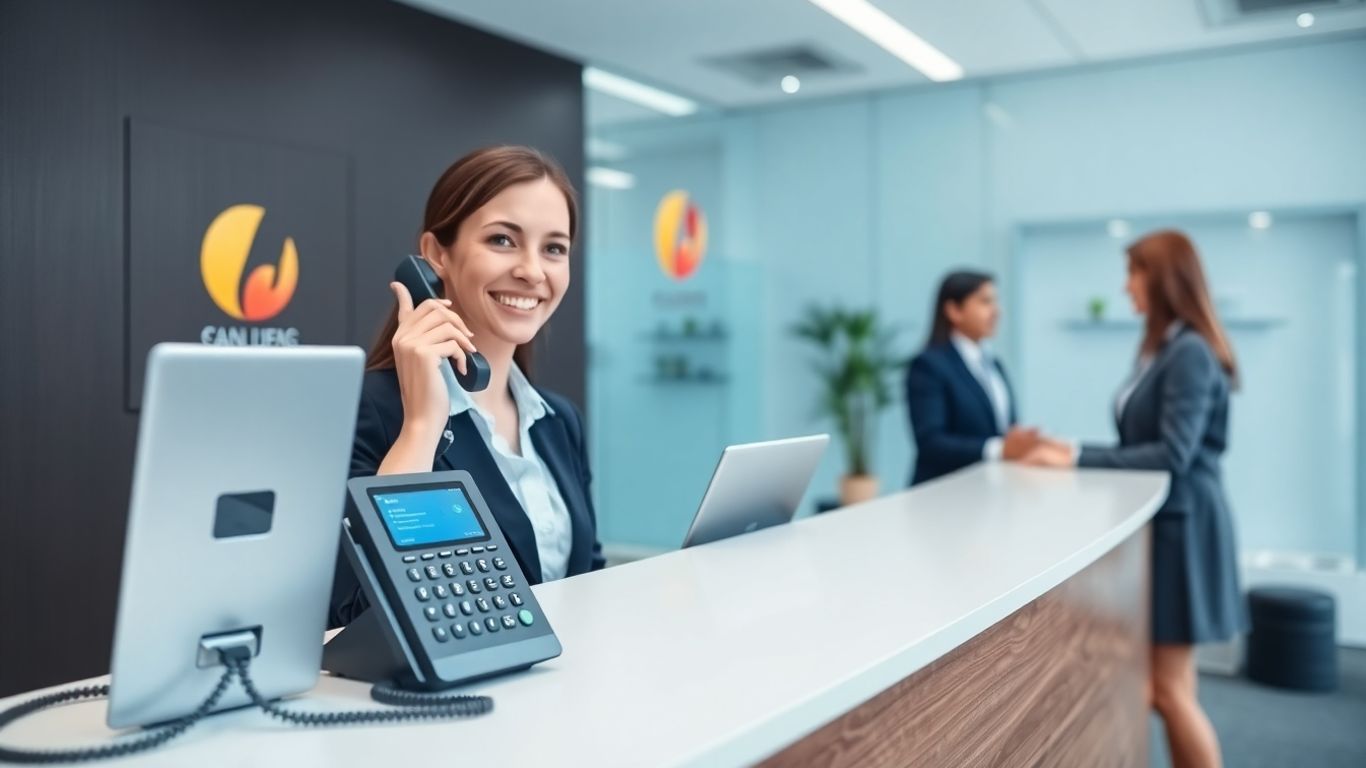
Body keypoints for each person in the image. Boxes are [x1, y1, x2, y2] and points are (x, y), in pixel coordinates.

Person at [329, 146, 604, 628]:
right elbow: (359, 615)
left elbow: (590, 580)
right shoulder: (369, 409)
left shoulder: (559, 420)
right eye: (502, 240)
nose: (532, 271)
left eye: (554, 249)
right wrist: (421, 427)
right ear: (437, 254)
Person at [1026, 230, 1243, 768]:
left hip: (1185, 529)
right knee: (1173, 687)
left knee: (1167, 691)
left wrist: (1076, 458)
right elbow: (1141, 444)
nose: (1126, 287)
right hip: (1172, 526)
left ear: (1163, 279)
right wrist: (1072, 450)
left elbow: (1172, 454)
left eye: (1133, 274)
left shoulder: (1188, 352)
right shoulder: (1164, 348)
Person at [905, 270, 1040, 485]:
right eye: (985, 302)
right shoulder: (929, 365)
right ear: (954, 311)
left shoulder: (994, 363)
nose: (997, 311)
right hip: (943, 493)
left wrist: (1022, 442)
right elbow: (931, 442)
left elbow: (1004, 428)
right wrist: (1000, 449)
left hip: (992, 488)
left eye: (995, 301)